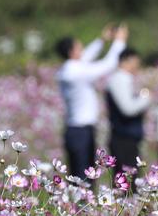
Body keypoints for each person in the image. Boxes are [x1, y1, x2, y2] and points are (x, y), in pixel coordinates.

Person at [55, 24, 128, 179]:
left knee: (79, 175)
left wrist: (102, 40)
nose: (82, 48)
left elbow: (85, 57)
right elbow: (108, 65)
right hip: (81, 131)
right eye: (78, 47)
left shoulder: (66, 70)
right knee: (83, 177)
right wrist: (119, 42)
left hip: (75, 129)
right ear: (71, 52)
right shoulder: (76, 72)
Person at [106, 47, 151, 175]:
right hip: (123, 136)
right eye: (135, 62)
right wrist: (145, 99)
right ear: (125, 61)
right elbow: (127, 109)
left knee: (129, 178)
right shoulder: (120, 79)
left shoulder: (123, 79)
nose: (137, 66)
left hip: (126, 135)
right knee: (127, 180)